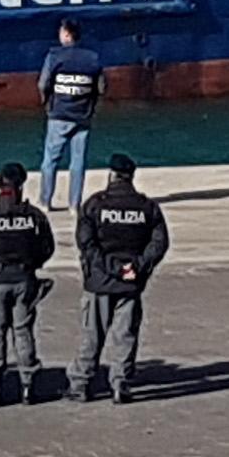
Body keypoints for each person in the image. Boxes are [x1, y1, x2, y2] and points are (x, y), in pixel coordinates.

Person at [71, 154, 167, 404]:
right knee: (125, 334)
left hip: (99, 281)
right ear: (131, 176)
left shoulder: (94, 205)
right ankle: (120, 382)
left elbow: (86, 243)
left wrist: (110, 267)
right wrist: (135, 267)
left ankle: (81, 383)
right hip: (130, 281)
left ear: (111, 175)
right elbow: (159, 244)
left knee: (92, 333)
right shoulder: (147, 207)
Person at [0, 162, 55, 406]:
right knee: (22, 330)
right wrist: (31, 266)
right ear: (21, 186)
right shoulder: (33, 215)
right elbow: (47, 247)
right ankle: (28, 384)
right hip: (23, 279)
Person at [37, 20, 103, 212]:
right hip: (82, 115)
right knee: (78, 161)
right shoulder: (92, 58)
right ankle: (74, 204)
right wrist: (92, 106)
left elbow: (43, 84)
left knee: (50, 160)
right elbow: (101, 87)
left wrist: (47, 103)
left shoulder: (55, 56)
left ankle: (45, 202)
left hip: (59, 114)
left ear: (66, 34)